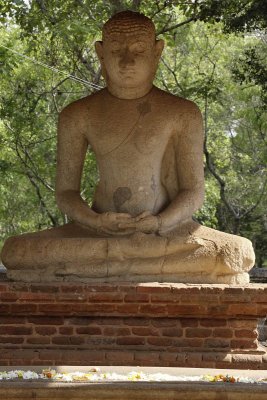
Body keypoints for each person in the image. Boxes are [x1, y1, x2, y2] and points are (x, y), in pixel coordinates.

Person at [1, 11, 255, 284]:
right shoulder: (78, 114)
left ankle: (102, 266)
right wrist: (96, 222)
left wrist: (159, 223)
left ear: (157, 52)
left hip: (167, 233)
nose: (127, 61)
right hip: (97, 233)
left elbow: (193, 192)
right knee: (16, 251)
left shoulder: (182, 113)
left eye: (138, 50)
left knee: (236, 252)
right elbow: (66, 193)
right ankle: (129, 261)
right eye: (116, 50)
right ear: (101, 53)